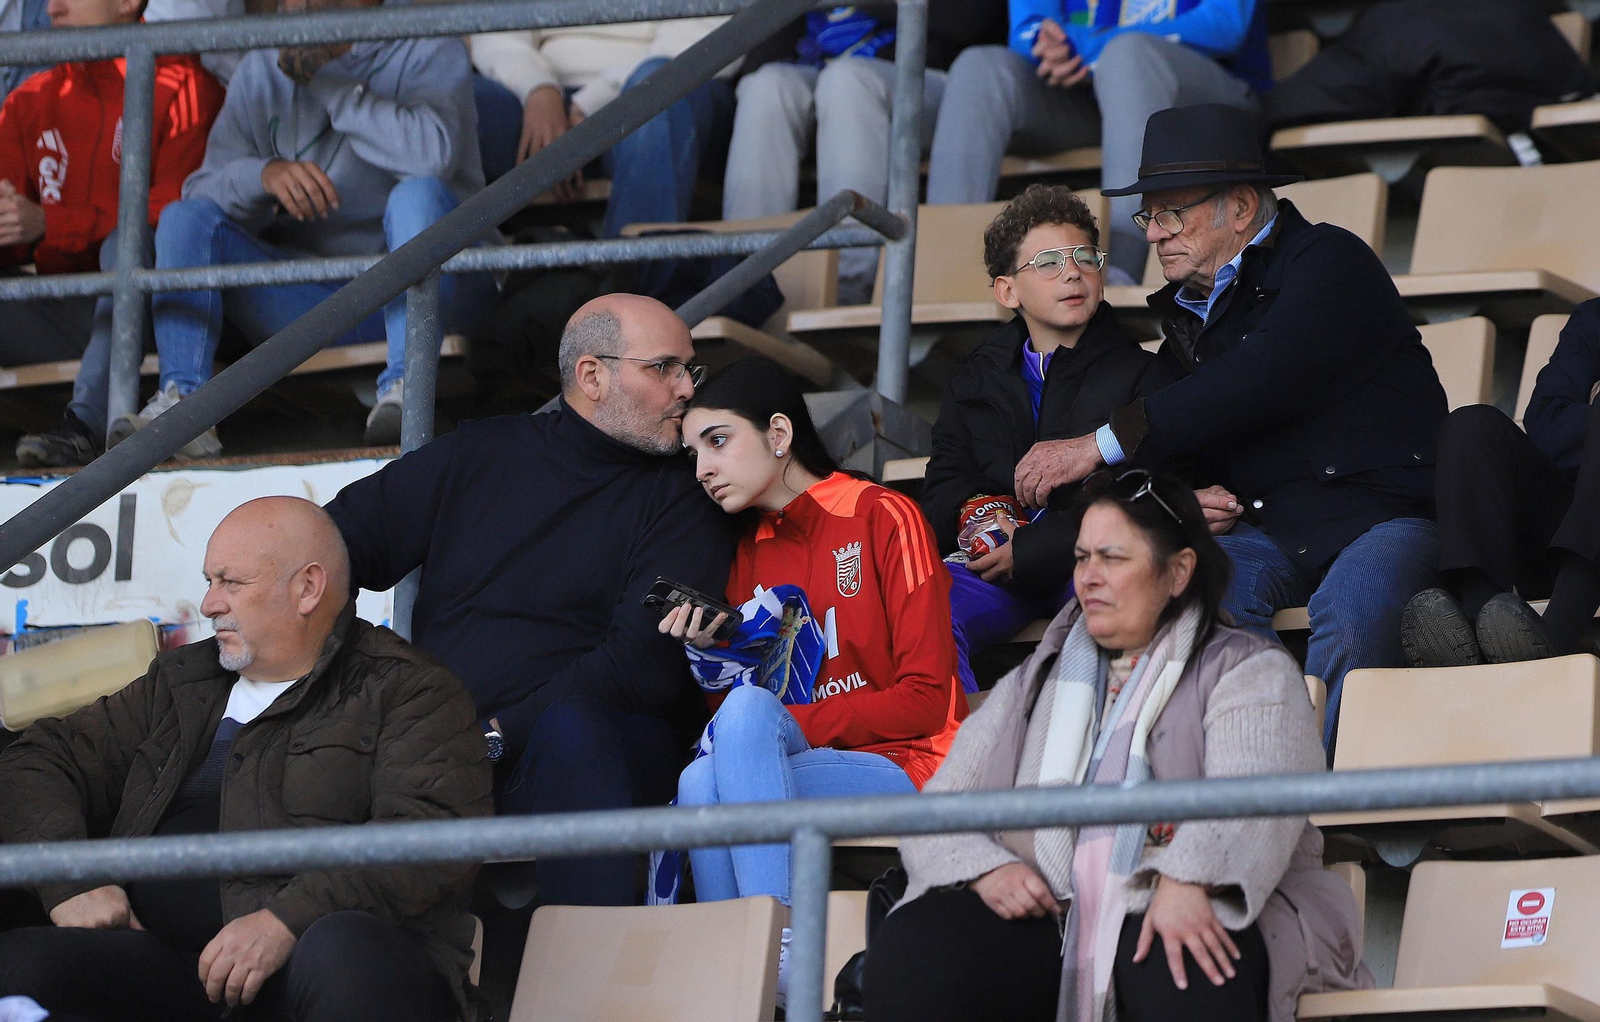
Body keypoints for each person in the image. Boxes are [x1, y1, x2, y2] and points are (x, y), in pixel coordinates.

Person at [998, 103, 1447, 749]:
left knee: (1349, 616)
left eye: (1171, 214)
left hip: (1387, 517)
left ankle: (1317, 798)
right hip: (1275, 528)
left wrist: (1096, 445)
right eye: (1149, 216)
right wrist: (1176, 502)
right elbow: (1186, 441)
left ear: (1239, 208)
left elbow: (1257, 378)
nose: (1153, 234)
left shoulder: (1330, 260)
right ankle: (1258, 773)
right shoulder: (1188, 313)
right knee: (1200, 594)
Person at [865, 468, 1370, 1022]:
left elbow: (1254, 803)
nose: (1089, 578)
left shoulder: (1250, 670)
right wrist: (987, 868)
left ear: (1177, 572)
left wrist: (1188, 879)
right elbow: (938, 810)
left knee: (1173, 950)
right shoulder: (1033, 682)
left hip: (1211, 910)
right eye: (1082, 558)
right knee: (922, 943)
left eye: (1113, 558)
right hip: (1056, 919)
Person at [0, 496, 492, 1022]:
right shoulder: (181, 682)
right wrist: (71, 878)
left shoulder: (408, 690)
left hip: (325, 971)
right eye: (210, 581)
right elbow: (38, 761)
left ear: (308, 588)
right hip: (174, 971)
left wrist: (286, 920)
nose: (209, 604)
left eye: (231, 583)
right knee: (23, 963)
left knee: (344, 951)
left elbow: (430, 835)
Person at [325, 293, 740, 908]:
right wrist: (356, 684)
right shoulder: (480, 454)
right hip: (441, 757)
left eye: (689, 369)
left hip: (589, 754)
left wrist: (493, 735)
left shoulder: (684, 491)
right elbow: (331, 545)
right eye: (664, 368)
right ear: (592, 376)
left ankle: (591, 986)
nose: (686, 389)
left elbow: (639, 667)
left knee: (575, 731)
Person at [108, 0, 495, 455]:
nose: (294, 4)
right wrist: (262, 176)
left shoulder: (425, 38)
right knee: (183, 218)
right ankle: (184, 408)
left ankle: (407, 386)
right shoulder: (262, 66)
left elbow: (430, 157)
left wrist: (326, 81)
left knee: (415, 195)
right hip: (321, 295)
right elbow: (200, 194)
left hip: (441, 286)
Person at [664, 357, 965, 902]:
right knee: (697, 782)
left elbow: (926, 701)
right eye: (695, 454)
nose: (704, 468)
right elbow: (738, 729)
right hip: (800, 758)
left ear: (779, 433)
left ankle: (774, 939)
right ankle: (757, 961)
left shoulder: (883, 515)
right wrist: (716, 661)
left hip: (913, 759)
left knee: (747, 721)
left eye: (718, 441)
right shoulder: (746, 556)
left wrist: (778, 720)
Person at [922, 184, 1175, 691]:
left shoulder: (1147, 376)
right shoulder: (976, 378)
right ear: (1007, 291)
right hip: (992, 565)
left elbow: (1143, 494)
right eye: (1047, 262)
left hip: (1088, 566)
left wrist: (1033, 548)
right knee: (918, 612)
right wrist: (979, 514)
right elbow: (944, 481)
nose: (1072, 272)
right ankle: (953, 763)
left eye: (1084, 256)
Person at [1, 0, 222, 468]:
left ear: (127, 2)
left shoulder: (181, 82)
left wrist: (52, 223)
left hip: (171, 313)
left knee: (127, 244)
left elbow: (173, 212)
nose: (52, 8)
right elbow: (15, 231)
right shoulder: (29, 98)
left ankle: (84, 424)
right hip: (67, 311)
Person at [926, 0, 1267, 282]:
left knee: (1127, 55)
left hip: (1213, 96)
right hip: (1091, 98)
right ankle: (939, 277)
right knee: (980, 67)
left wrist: (1086, 44)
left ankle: (1119, 270)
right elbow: (1028, 28)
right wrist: (1049, 46)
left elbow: (1225, 24)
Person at [721, 2, 1004, 303]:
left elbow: (970, 20)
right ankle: (742, 284)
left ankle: (845, 287)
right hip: (822, 77)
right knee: (766, 85)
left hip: (940, 82)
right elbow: (756, 57)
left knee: (848, 81)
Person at [1403, 297, 1600, 666]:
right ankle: (1476, 624)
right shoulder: (1596, 318)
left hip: (1584, 578)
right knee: (1471, 425)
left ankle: (1558, 637)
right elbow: (1544, 423)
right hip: (1561, 533)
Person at [468, 18, 737, 230]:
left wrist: (589, 105)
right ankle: (464, 288)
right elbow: (494, 28)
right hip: (537, 95)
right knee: (449, 99)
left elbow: (701, 39)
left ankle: (632, 290)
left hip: (644, 92)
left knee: (661, 93)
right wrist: (538, 89)